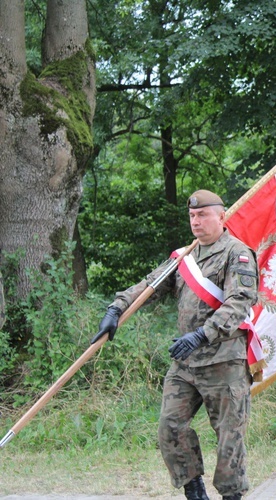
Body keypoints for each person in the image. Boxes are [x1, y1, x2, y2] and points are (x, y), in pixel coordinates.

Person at [91, 190, 258, 500]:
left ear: (221, 217)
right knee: (170, 427)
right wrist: (116, 308)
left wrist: (202, 334)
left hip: (224, 362)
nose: (196, 220)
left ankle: (231, 495)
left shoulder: (238, 253)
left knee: (228, 438)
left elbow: (239, 302)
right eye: (192, 216)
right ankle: (194, 492)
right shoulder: (184, 257)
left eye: (203, 214)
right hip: (185, 364)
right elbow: (149, 286)